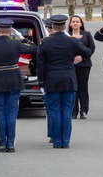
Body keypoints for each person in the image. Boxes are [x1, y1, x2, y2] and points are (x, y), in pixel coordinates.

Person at [0, 18, 37, 152]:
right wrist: (22, 38)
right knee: (12, 114)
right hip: (14, 80)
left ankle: (2, 143)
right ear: (11, 31)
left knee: (1, 115)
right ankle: (11, 144)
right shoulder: (16, 44)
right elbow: (34, 47)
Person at [37, 14, 91, 148]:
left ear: (53, 27)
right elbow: (87, 53)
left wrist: (41, 83)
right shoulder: (72, 41)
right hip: (68, 79)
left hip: (51, 79)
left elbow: (40, 65)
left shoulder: (45, 42)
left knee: (54, 110)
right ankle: (65, 141)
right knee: (66, 111)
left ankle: (56, 140)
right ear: (65, 26)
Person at [67, 15, 95, 119]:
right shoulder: (67, 35)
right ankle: (73, 111)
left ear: (81, 24)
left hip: (84, 64)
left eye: (77, 21)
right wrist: (72, 58)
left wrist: (82, 57)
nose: (75, 23)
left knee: (83, 87)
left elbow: (92, 48)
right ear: (70, 24)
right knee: (73, 88)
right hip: (71, 65)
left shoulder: (86, 34)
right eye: (73, 21)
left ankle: (84, 110)